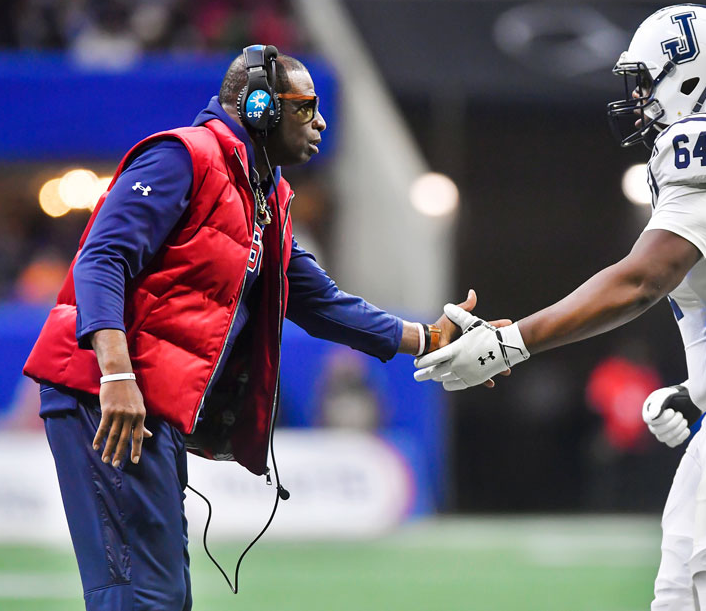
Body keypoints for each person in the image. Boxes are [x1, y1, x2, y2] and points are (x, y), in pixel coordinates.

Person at [415, 5, 706, 611]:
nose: (638, 98)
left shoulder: (705, 137)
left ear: (692, 76)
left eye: (646, 80)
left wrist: (515, 341)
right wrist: (699, 388)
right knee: (682, 602)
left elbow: (644, 279)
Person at [24, 45, 479, 610]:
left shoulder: (267, 195)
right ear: (260, 107)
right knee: (140, 594)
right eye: (305, 107)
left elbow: (317, 301)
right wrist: (116, 376)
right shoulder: (180, 157)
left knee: (162, 594)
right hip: (109, 396)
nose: (321, 121)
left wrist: (426, 339)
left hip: (149, 402)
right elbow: (101, 259)